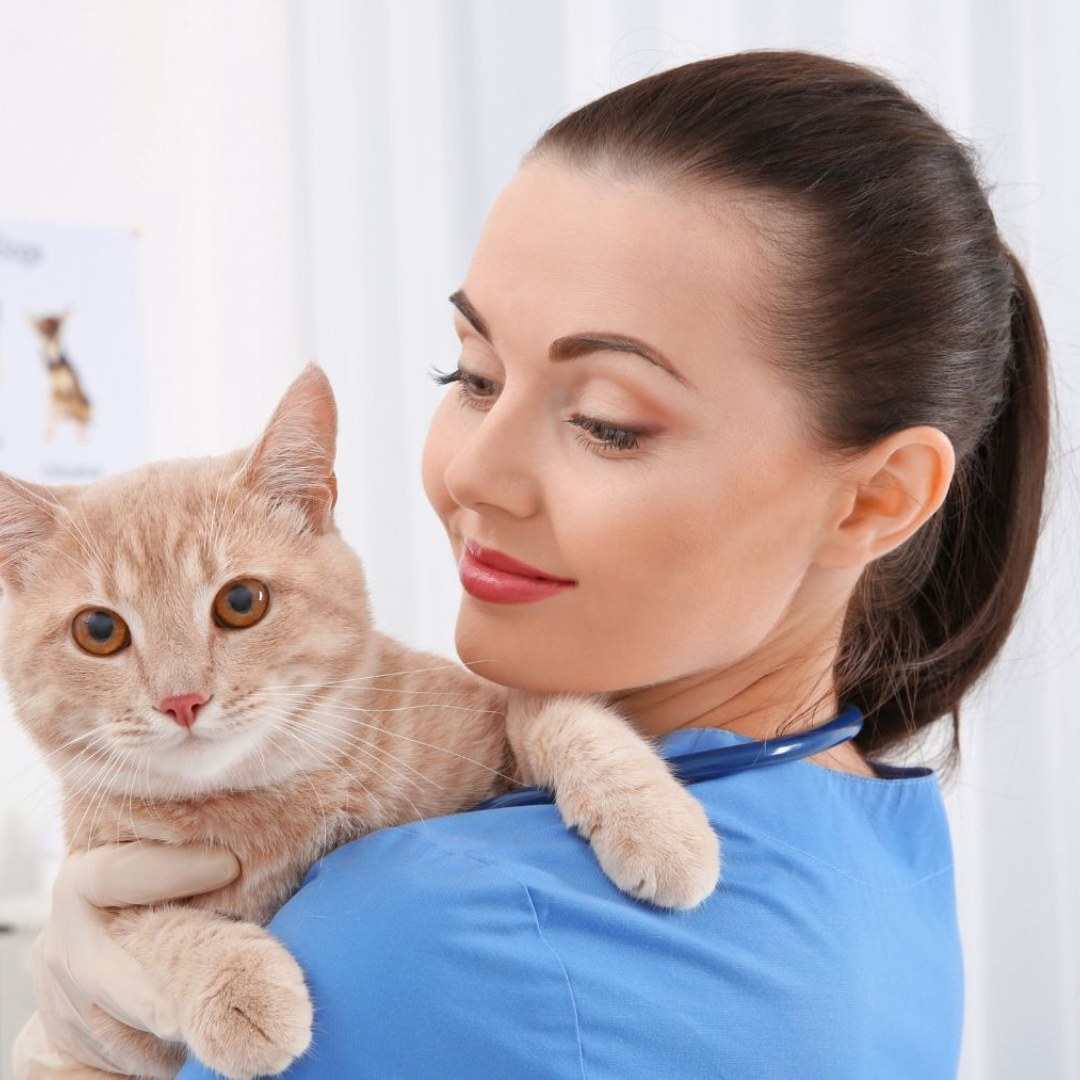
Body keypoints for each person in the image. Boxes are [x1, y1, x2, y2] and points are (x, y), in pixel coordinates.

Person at [15, 48, 1050, 1079]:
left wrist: (56, 1055)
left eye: (607, 424)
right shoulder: (879, 831)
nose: (476, 472)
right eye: (470, 376)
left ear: (876, 499)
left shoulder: (425, 934)